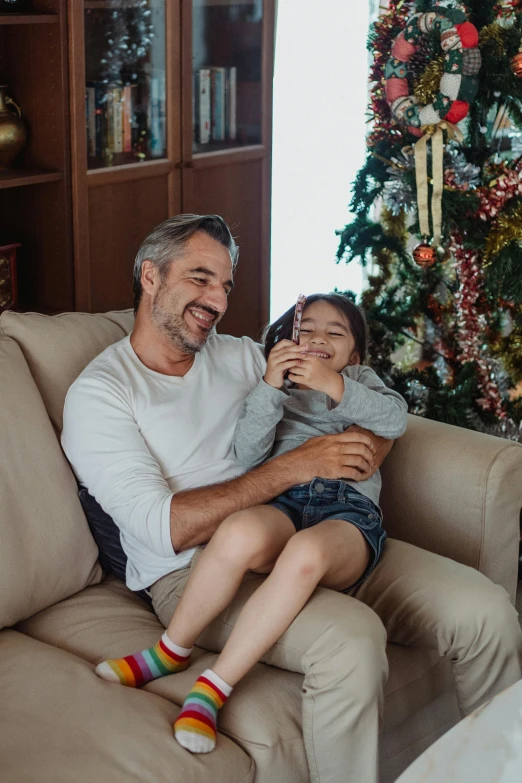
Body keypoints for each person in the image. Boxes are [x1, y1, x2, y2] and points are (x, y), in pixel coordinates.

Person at [62, 214, 522, 783]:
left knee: (488, 614)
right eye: (201, 278)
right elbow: (165, 530)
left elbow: (340, 391)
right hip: (202, 569)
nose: (217, 300)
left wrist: (369, 446)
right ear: (150, 276)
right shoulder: (101, 395)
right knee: (351, 645)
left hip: (326, 523)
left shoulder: (240, 355)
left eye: (226, 285)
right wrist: (296, 467)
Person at [94, 291, 408, 753]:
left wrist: (333, 384)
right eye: (307, 330)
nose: (319, 338)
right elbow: (249, 453)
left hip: (346, 512)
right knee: (237, 531)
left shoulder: (360, 380)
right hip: (284, 502)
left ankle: (214, 686)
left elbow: (395, 419)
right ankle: (170, 651)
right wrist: (269, 386)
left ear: (354, 354)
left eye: (335, 333)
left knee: (305, 554)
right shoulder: (276, 389)